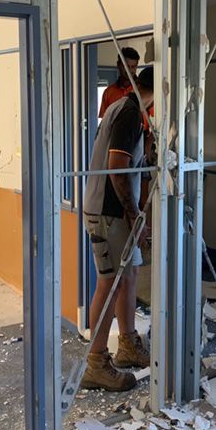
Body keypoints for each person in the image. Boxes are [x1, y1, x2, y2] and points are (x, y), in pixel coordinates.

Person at [82, 66, 155, 391]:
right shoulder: (127, 112)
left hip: (117, 213)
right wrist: (135, 214)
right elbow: (117, 168)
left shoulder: (130, 109)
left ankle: (127, 345)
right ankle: (96, 363)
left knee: (129, 277)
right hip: (108, 213)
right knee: (109, 284)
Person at [98, 46, 140, 118]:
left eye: (133, 67)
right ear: (118, 65)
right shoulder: (108, 93)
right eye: (126, 66)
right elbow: (104, 122)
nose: (129, 70)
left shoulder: (143, 90)